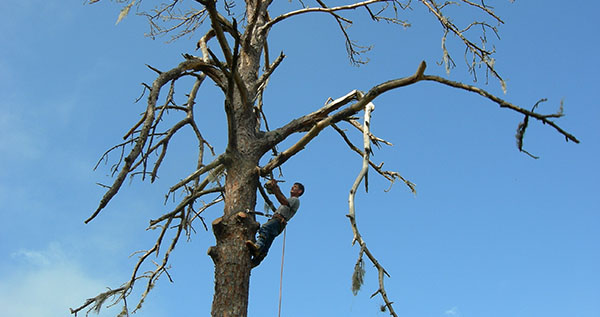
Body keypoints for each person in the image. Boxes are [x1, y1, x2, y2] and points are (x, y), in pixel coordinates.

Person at [246, 180, 304, 267]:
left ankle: (258, 246)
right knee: (268, 239)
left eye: (295, 187)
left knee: (265, 228)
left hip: (278, 221)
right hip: (279, 223)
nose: (292, 187)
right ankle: (257, 260)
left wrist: (275, 189)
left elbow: (283, 201)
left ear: (300, 191)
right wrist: (276, 188)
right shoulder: (290, 199)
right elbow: (282, 198)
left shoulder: (295, 200)